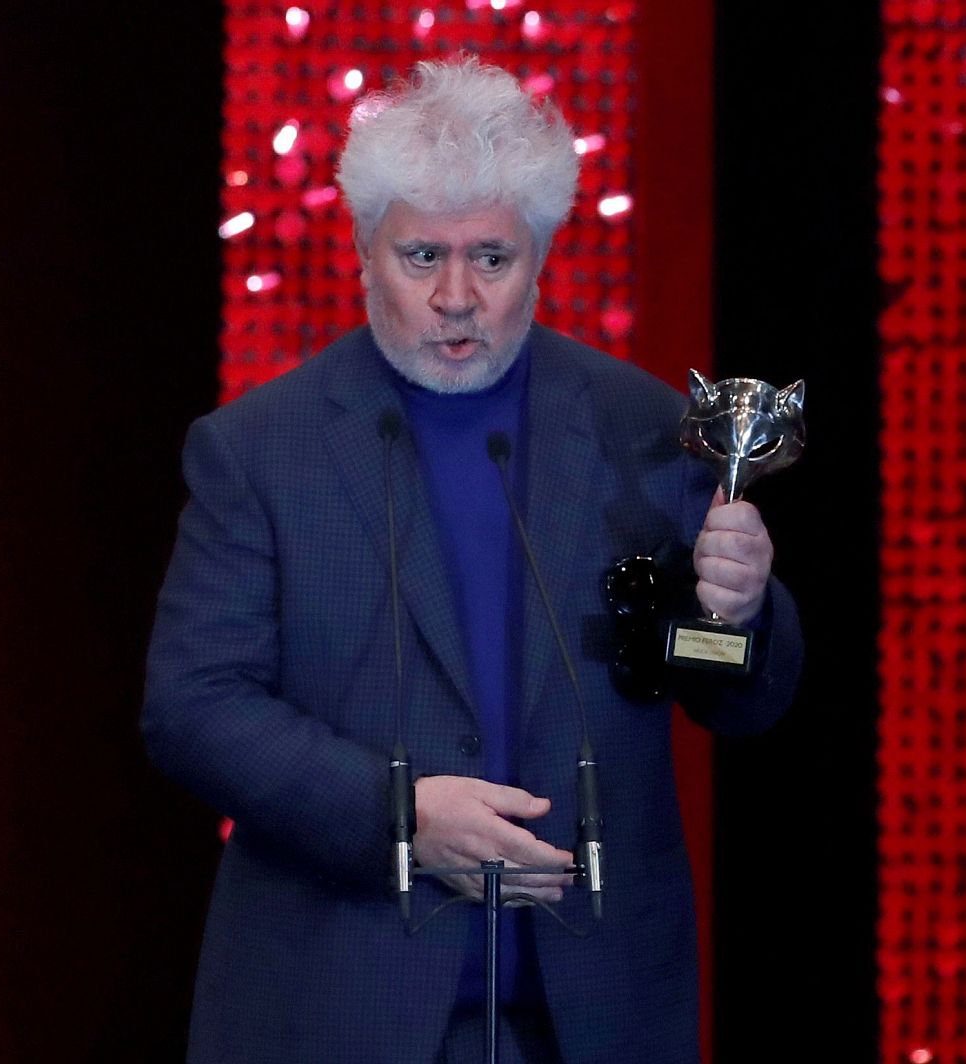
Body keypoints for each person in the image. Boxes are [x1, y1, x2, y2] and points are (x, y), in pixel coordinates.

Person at [143, 56, 803, 1064]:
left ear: (538, 256)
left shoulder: (642, 429)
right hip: (337, 1009)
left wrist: (740, 610)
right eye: (421, 257)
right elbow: (192, 705)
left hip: (589, 1011)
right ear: (365, 250)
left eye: (490, 259)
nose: (456, 295)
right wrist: (398, 814)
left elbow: (733, 700)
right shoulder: (257, 449)